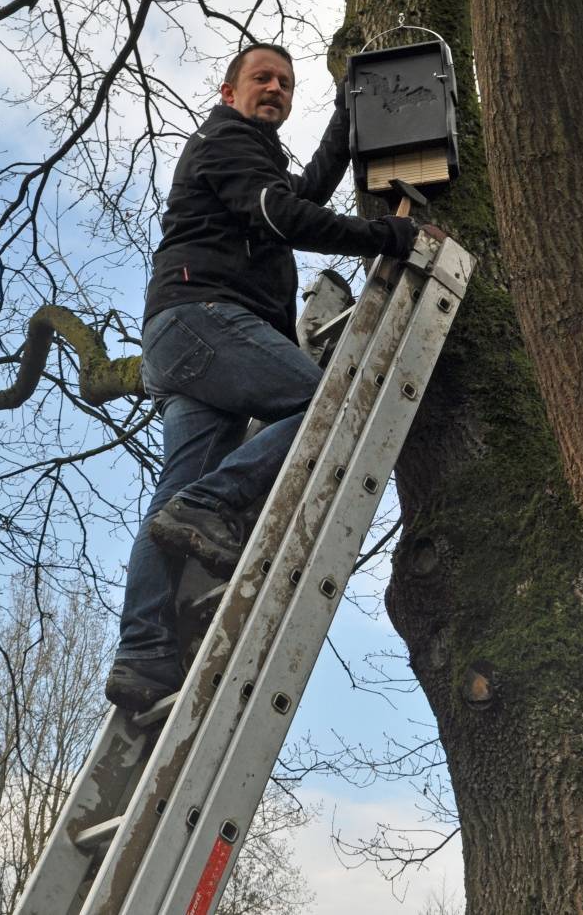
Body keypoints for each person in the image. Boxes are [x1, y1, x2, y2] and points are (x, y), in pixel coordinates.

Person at [105, 43, 419, 710]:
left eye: (284, 81)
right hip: (205, 319)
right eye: (261, 78)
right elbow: (284, 216)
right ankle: (210, 507)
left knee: (173, 496)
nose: (274, 88)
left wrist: (345, 116)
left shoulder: (253, 161)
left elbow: (293, 202)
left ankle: (142, 655)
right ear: (229, 92)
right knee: (329, 405)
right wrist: (382, 238)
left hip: (187, 343)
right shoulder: (226, 140)